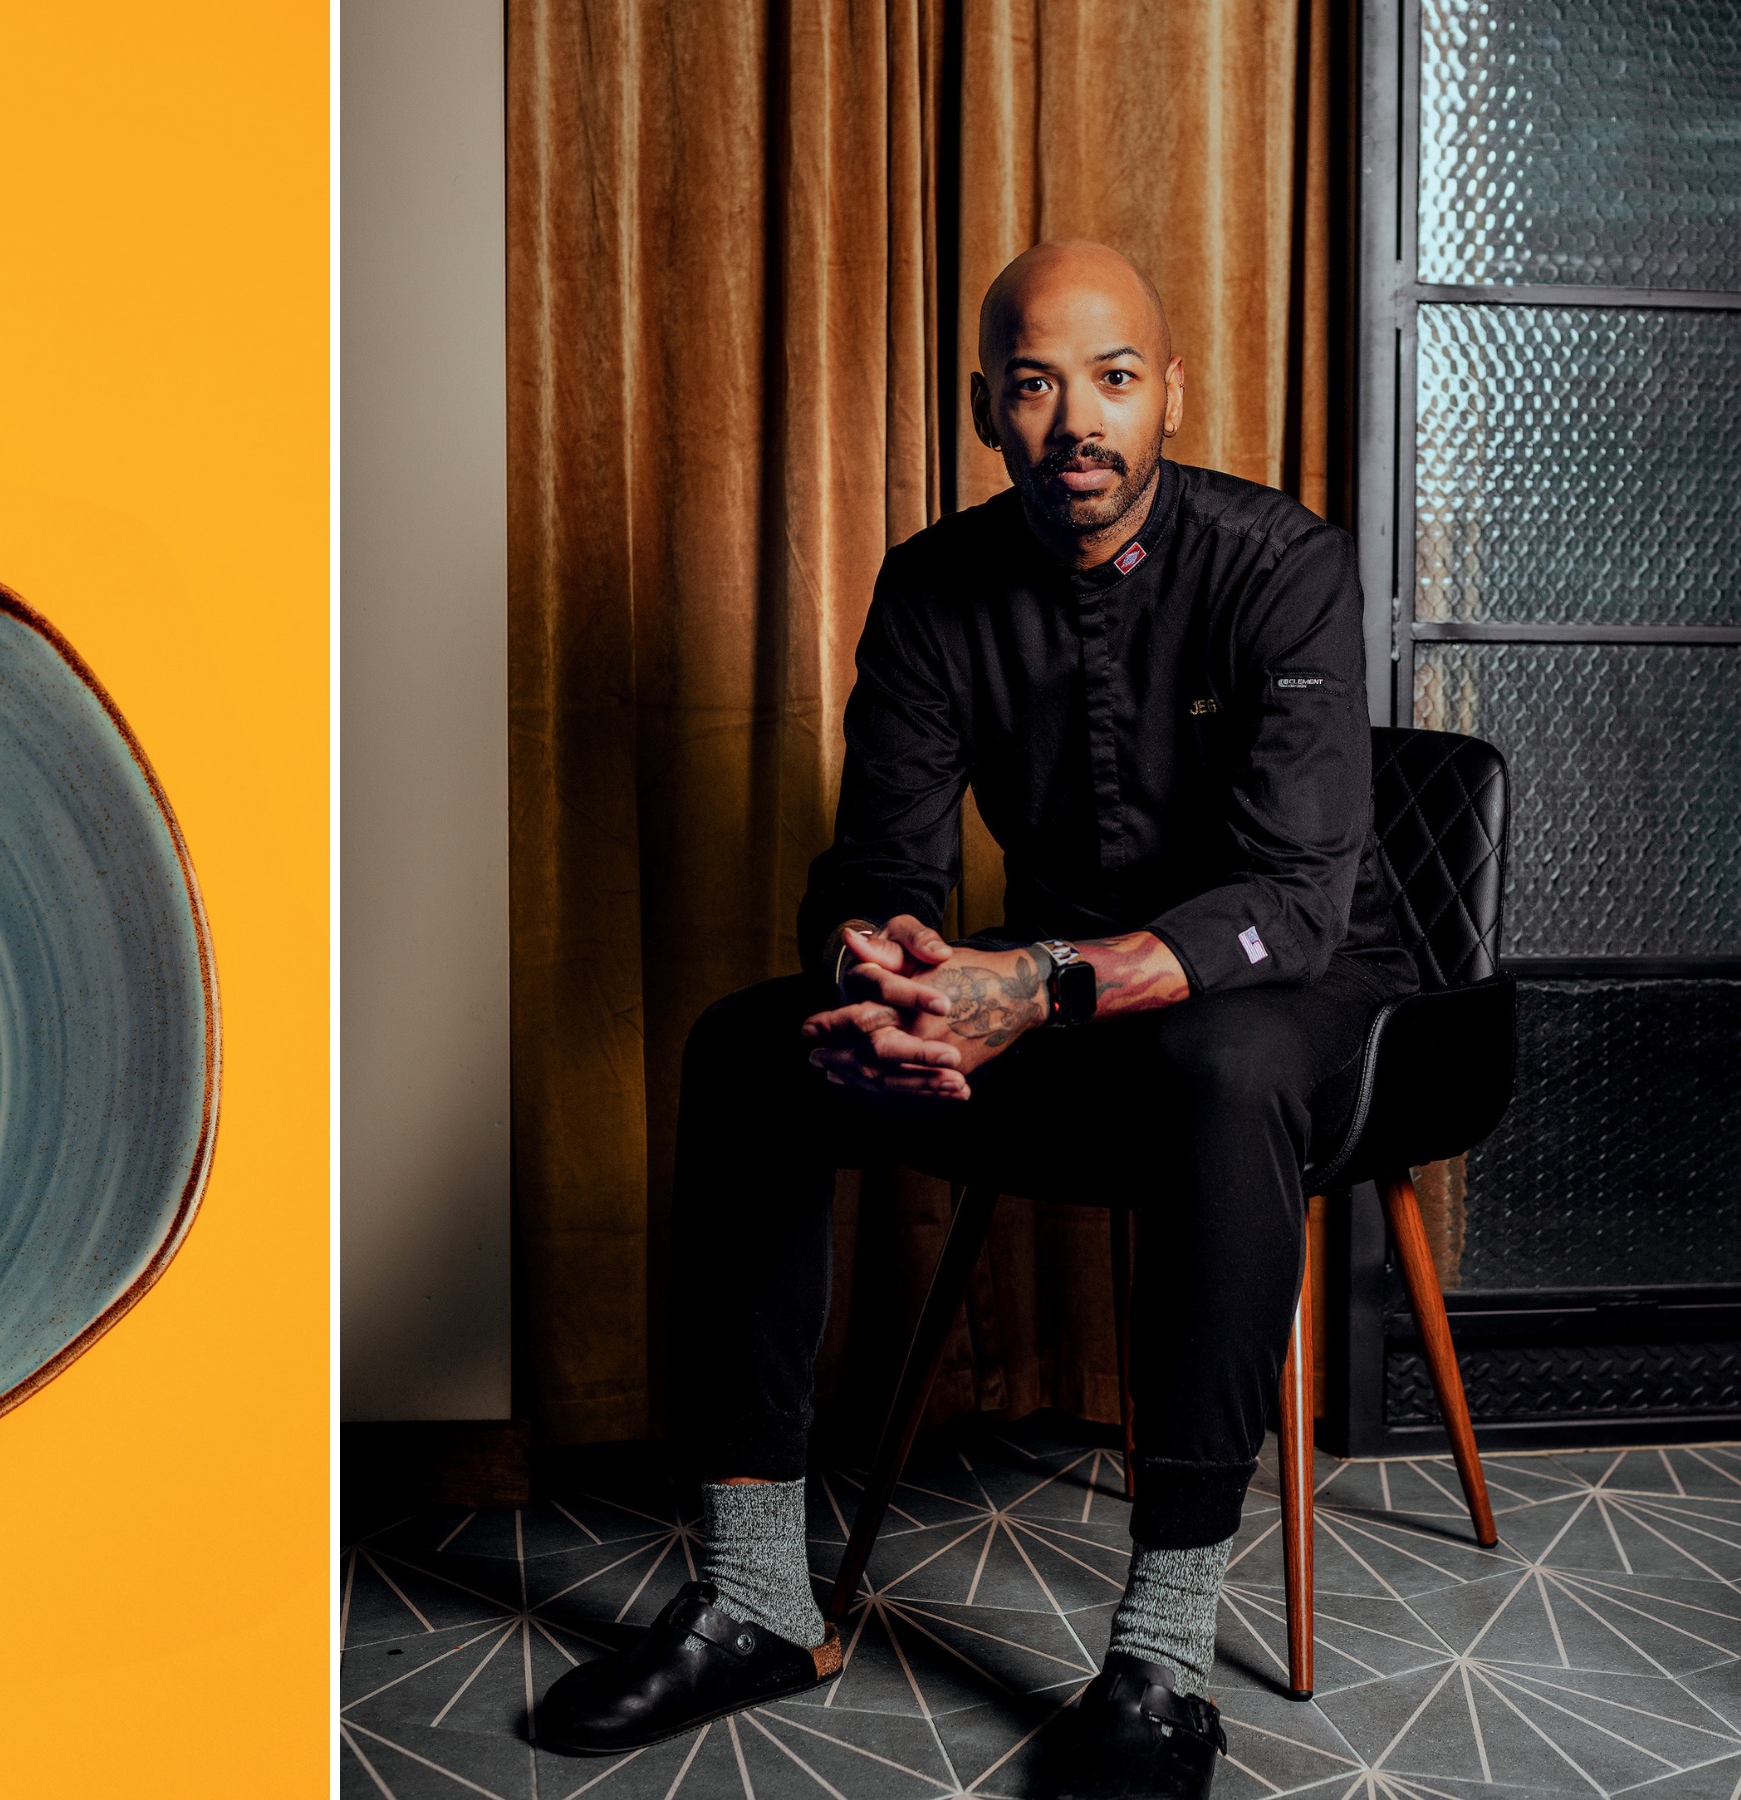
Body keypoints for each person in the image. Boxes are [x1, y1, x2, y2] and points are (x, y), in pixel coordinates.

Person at [531, 241, 1416, 1800]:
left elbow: (1296, 894)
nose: (1078, 420)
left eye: (1115, 379)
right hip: (1051, 996)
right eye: (1035, 382)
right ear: (985, 408)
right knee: (752, 1049)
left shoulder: (1283, 564)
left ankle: (1160, 1656)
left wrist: (1040, 987)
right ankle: (754, 1599)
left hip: (1297, 994)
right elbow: (880, 858)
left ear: (1170, 394)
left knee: (1221, 1063)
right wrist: (888, 975)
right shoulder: (935, 583)